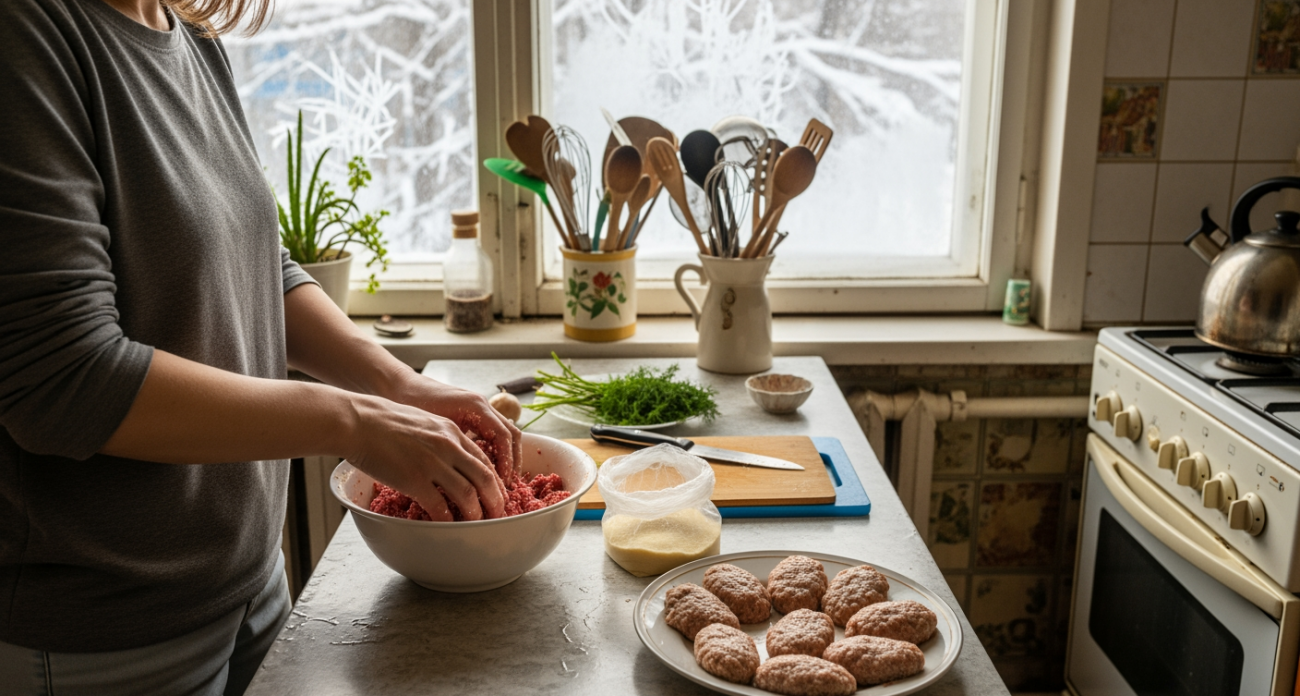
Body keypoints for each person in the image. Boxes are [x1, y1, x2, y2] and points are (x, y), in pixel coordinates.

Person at [0, 0, 521, 693]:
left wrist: (399, 387)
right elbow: (63, 378)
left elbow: (255, 264)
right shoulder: (26, 35)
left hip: (253, 584)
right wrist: (352, 421)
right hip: (108, 638)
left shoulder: (186, 33)